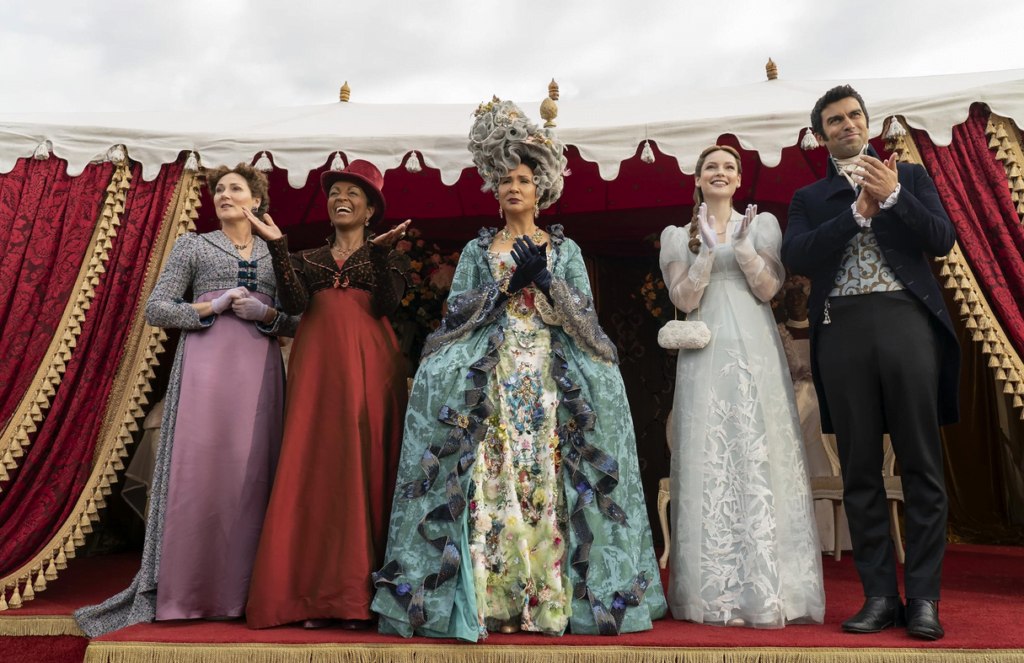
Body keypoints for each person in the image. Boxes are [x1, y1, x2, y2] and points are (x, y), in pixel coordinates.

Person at [371, 99, 666, 641]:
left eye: (524, 180)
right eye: (505, 179)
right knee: (492, 474)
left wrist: (548, 281)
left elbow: (587, 322)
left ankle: (549, 599)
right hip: (494, 371)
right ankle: (494, 597)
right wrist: (505, 285)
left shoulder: (566, 248)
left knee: (547, 475)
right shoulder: (477, 248)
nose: (513, 187)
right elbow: (455, 312)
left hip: (551, 374)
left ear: (541, 188)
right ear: (495, 189)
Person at [75, 164, 298, 636]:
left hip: (258, 375)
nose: (224, 194)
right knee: (199, 474)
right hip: (204, 370)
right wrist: (208, 307)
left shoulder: (276, 250)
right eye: (218, 189)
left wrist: (268, 313)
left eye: (235, 188)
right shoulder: (192, 245)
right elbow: (157, 308)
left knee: (253, 476)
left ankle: (247, 593)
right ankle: (190, 592)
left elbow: (299, 319)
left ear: (256, 201)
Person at [782, 85, 960, 640]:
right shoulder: (809, 197)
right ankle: (880, 596)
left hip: (907, 323)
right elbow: (797, 256)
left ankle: (924, 598)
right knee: (858, 469)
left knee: (921, 465)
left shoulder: (908, 176)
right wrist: (857, 214)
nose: (847, 124)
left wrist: (895, 198)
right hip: (841, 331)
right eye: (834, 120)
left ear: (869, 122)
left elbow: (943, 239)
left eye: (854, 115)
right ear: (821, 133)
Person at [659, 145, 825, 628]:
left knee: (760, 454)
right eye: (711, 166)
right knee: (711, 455)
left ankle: (773, 590)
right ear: (697, 179)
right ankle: (712, 593)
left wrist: (744, 246)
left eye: (729, 167)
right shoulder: (677, 236)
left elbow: (769, 289)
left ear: (738, 181)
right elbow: (682, 297)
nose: (720, 172)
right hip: (705, 350)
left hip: (755, 347)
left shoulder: (763, 225)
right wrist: (707, 253)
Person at [243, 160, 412, 630]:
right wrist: (278, 248)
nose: (342, 197)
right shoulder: (311, 257)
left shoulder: (390, 257)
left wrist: (379, 255)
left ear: (371, 208)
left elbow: (385, 305)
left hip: (371, 370)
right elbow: (295, 304)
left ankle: (358, 597)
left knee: (364, 465)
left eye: (354, 193)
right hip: (317, 370)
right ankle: (312, 595)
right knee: (315, 467)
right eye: (335, 190)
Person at [776, 277, 853, 554]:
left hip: (823, 399)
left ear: (808, 299)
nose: (795, 300)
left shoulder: (821, 328)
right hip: (792, 401)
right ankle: (795, 537)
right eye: (790, 296)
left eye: (799, 295)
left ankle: (832, 537)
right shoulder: (780, 332)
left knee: (826, 459)